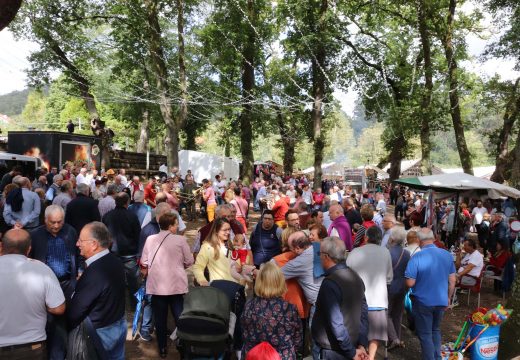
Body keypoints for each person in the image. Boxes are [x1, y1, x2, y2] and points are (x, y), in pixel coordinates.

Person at [0, 229, 66, 359]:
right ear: (29, 249)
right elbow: (59, 308)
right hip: (32, 347)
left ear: (2, 246)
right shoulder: (42, 269)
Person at [68, 222, 127, 359]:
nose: (77, 244)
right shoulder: (115, 261)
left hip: (101, 333)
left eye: (81, 240)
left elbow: (75, 312)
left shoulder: (94, 272)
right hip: (117, 324)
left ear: (94, 244)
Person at [140, 213, 194, 358]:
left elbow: (144, 261)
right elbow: (189, 261)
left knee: (160, 319)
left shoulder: (150, 239)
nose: (178, 227)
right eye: (176, 224)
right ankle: (184, 346)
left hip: (157, 285)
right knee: (179, 317)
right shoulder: (181, 240)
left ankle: (163, 348)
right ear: (170, 226)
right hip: (175, 285)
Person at [30, 205, 79, 359]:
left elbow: (77, 253)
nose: (56, 225)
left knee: (64, 320)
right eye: (53, 222)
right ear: (45, 220)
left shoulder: (70, 231)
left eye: (59, 222)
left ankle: (60, 354)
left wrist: (80, 272)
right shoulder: (35, 234)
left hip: (66, 284)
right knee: (46, 321)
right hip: (43, 286)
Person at [312, 236, 369, 360]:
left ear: (326, 256)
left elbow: (335, 322)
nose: (319, 257)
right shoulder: (355, 276)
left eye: (319, 254)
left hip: (332, 350)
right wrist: (362, 344)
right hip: (350, 346)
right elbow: (364, 313)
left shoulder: (330, 283)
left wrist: (352, 351)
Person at [405, 228, 456, 360]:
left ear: (419, 240)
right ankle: (437, 357)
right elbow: (452, 280)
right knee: (436, 330)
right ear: (433, 239)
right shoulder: (447, 255)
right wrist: (449, 297)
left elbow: (410, 283)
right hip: (441, 300)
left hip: (423, 302)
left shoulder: (417, 256)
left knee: (425, 334)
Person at [346, 226, 392, 360]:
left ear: (366, 238)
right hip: (378, 299)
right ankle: (370, 357)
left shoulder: (355, 252)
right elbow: (389, 277)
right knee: (375, 334)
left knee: (357, 333)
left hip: (357, 300)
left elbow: (347, 273)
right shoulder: (385, 252)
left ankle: (361, 355)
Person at [241, 262, 302, 359]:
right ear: (280, 282)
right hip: (282, 356)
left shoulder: (249, 306)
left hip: (255, 356)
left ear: (259, 282)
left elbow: (244, 334)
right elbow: (298, 341)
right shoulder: (289, 309)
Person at [102, 192, 142, 307]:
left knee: (113, 281)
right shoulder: (132, 216)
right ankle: (134, 305)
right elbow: (137, 234)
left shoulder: (107, 216)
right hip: (129, 253)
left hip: (113, 253)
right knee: (133, 281)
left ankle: (114, 304)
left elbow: (103, 234)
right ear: (127, 202)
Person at [192, 217, 237, 285]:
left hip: (236, 288)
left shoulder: (232, 245)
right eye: (225, 230)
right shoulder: (207, 247)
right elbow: (198, 267)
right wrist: (202, 281)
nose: (228, 232)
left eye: (229, 229)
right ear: (216, 231)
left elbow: (239, 265)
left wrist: (252, 270)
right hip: (219, 289)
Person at [386, 227, 410, 350]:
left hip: (390, 286)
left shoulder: (388, 253)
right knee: (397, 313)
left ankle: (394, 338)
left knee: (387, 313)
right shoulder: (406, 253)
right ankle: (397, 338)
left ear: (393, 238)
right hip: (402, 286)